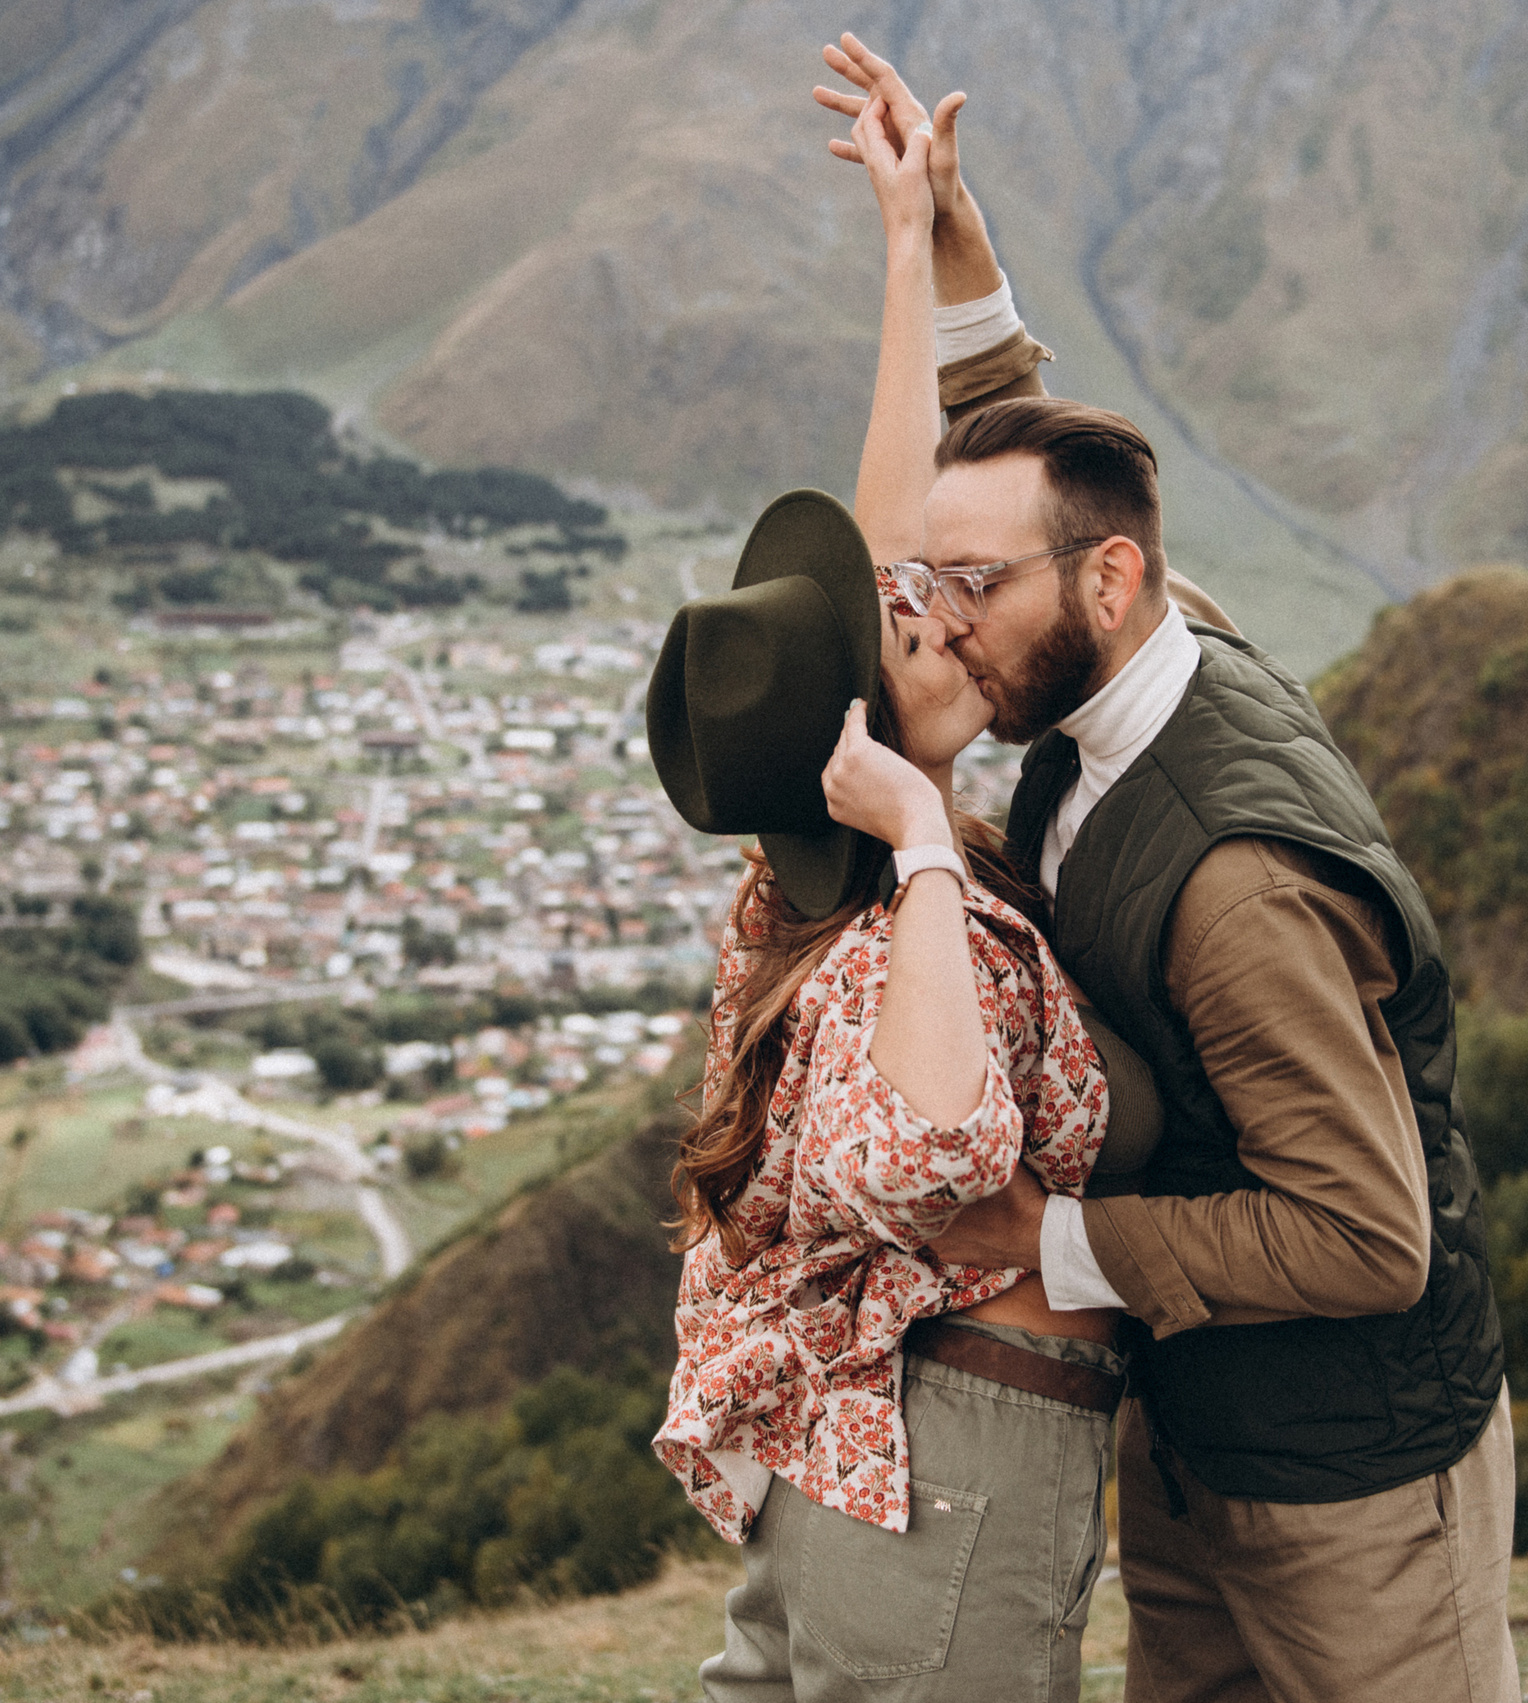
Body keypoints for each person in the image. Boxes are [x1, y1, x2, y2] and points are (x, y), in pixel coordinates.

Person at [817, 35, 1522, 1703]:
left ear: (1111, 584)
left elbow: (1366, 1239)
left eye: (967, 592)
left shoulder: (1238, 885)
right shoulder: (1126, 640)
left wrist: (1043, 1239)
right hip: (1209, 1423)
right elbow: (1022, 473)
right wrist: (944, 240)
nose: (939, 619)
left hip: (1356, 1476)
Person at [647, 91, 1158, 1703]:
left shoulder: (807, 880)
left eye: (929, 597)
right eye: (905, 630)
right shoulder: (893, 913)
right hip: (950, 1473)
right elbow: (944, 1151)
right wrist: (929, 846)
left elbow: (890, 520)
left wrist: (902, 244)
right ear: (853, 737)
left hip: (853, 1466)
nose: (935, 615)